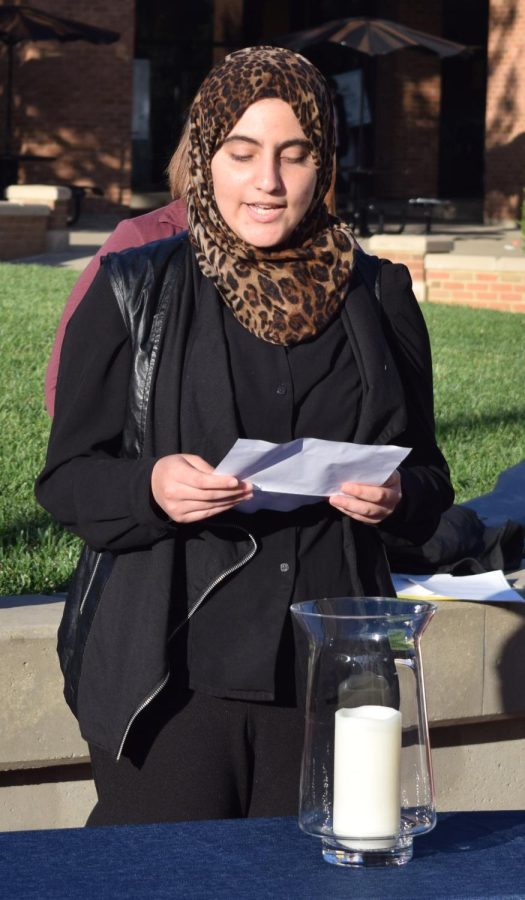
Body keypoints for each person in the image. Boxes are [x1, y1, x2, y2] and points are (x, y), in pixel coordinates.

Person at [36, 46, 454, 827]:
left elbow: (429, 479)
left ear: (322, 162)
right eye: (242, 153)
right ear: (204, 158)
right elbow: (66, 481)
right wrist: (149, 487)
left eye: (294, 156)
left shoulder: (380, 294)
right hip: (170, 686)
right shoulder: (135, 287)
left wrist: (397, 496)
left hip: (329, 681)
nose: (267, 182)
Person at [44, 120, 191, 417]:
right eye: (243, 154)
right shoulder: (143, 240)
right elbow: (66, 389)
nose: (267, 179)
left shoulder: (308, 250)